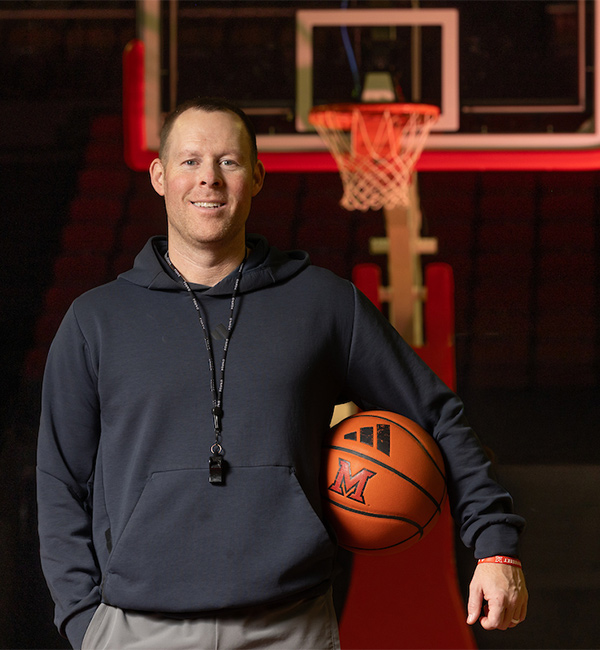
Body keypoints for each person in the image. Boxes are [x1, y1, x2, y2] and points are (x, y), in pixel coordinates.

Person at [37, 97, 528, 650]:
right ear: (159, 176)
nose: (210, 180)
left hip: (288, 626)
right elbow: (60, 480)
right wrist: (85, 622)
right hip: (134, 628)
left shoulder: (323, 304)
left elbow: (437, 415)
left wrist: (494, 543)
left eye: (229, 162)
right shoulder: (95, 320)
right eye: (190, 161)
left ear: (258, 177)